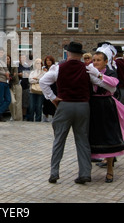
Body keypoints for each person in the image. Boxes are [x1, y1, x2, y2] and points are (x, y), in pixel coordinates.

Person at [86, 45, 124, 183]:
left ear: (106, 62)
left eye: (98, 60)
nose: (95, 63)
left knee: (109, 136)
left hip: (106, 105)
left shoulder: (110, 72)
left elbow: (114, 84)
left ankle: (110, 170)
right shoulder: (89, 72)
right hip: (93, 106)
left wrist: (98, 75)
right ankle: (86, 169)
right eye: (93, 60)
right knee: (91, 136)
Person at [39, 41, 92, 185]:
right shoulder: (87, 69)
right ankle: (85, 172)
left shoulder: (58, 68)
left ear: (67, 53)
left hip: (65, 105)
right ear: (80, 55)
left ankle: (54, 172)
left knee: (59, 140)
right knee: (82, 140)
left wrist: (53, 98)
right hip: (83, 105)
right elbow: (99, 83)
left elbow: (43, 82)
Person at [7, 54, 22, 121]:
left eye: (8, 59)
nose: (7, 60)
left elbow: (15, 76)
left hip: (17, 85)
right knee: (12, 102)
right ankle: (13, 116)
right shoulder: (3, 67)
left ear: (10, 59)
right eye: (5, 59)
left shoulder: (14, 66)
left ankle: (18, 118)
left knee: (18, 103)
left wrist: (9, 76)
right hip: (9, 86)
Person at [42, 56, 57, 122]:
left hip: (53, 86)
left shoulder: (54, 68)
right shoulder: (43, 68)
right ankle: (45, 116)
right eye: (47, 60)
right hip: (46, 86)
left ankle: (54, 116)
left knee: (53, 103)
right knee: (46, 102)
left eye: (49, 60)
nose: (48, 62)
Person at [18, 54, 31, 121]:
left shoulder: (27, 66)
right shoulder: (17, 66)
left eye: (24, 57)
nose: (22, 58)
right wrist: (20, 74)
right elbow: (15, 74)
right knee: (18, 102)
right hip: (18, 85)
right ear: (19, 58)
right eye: (21, 57)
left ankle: (24, 116)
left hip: (26, 86)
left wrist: (23, 74)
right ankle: (19, 115)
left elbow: (28, 74)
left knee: (25, 102)